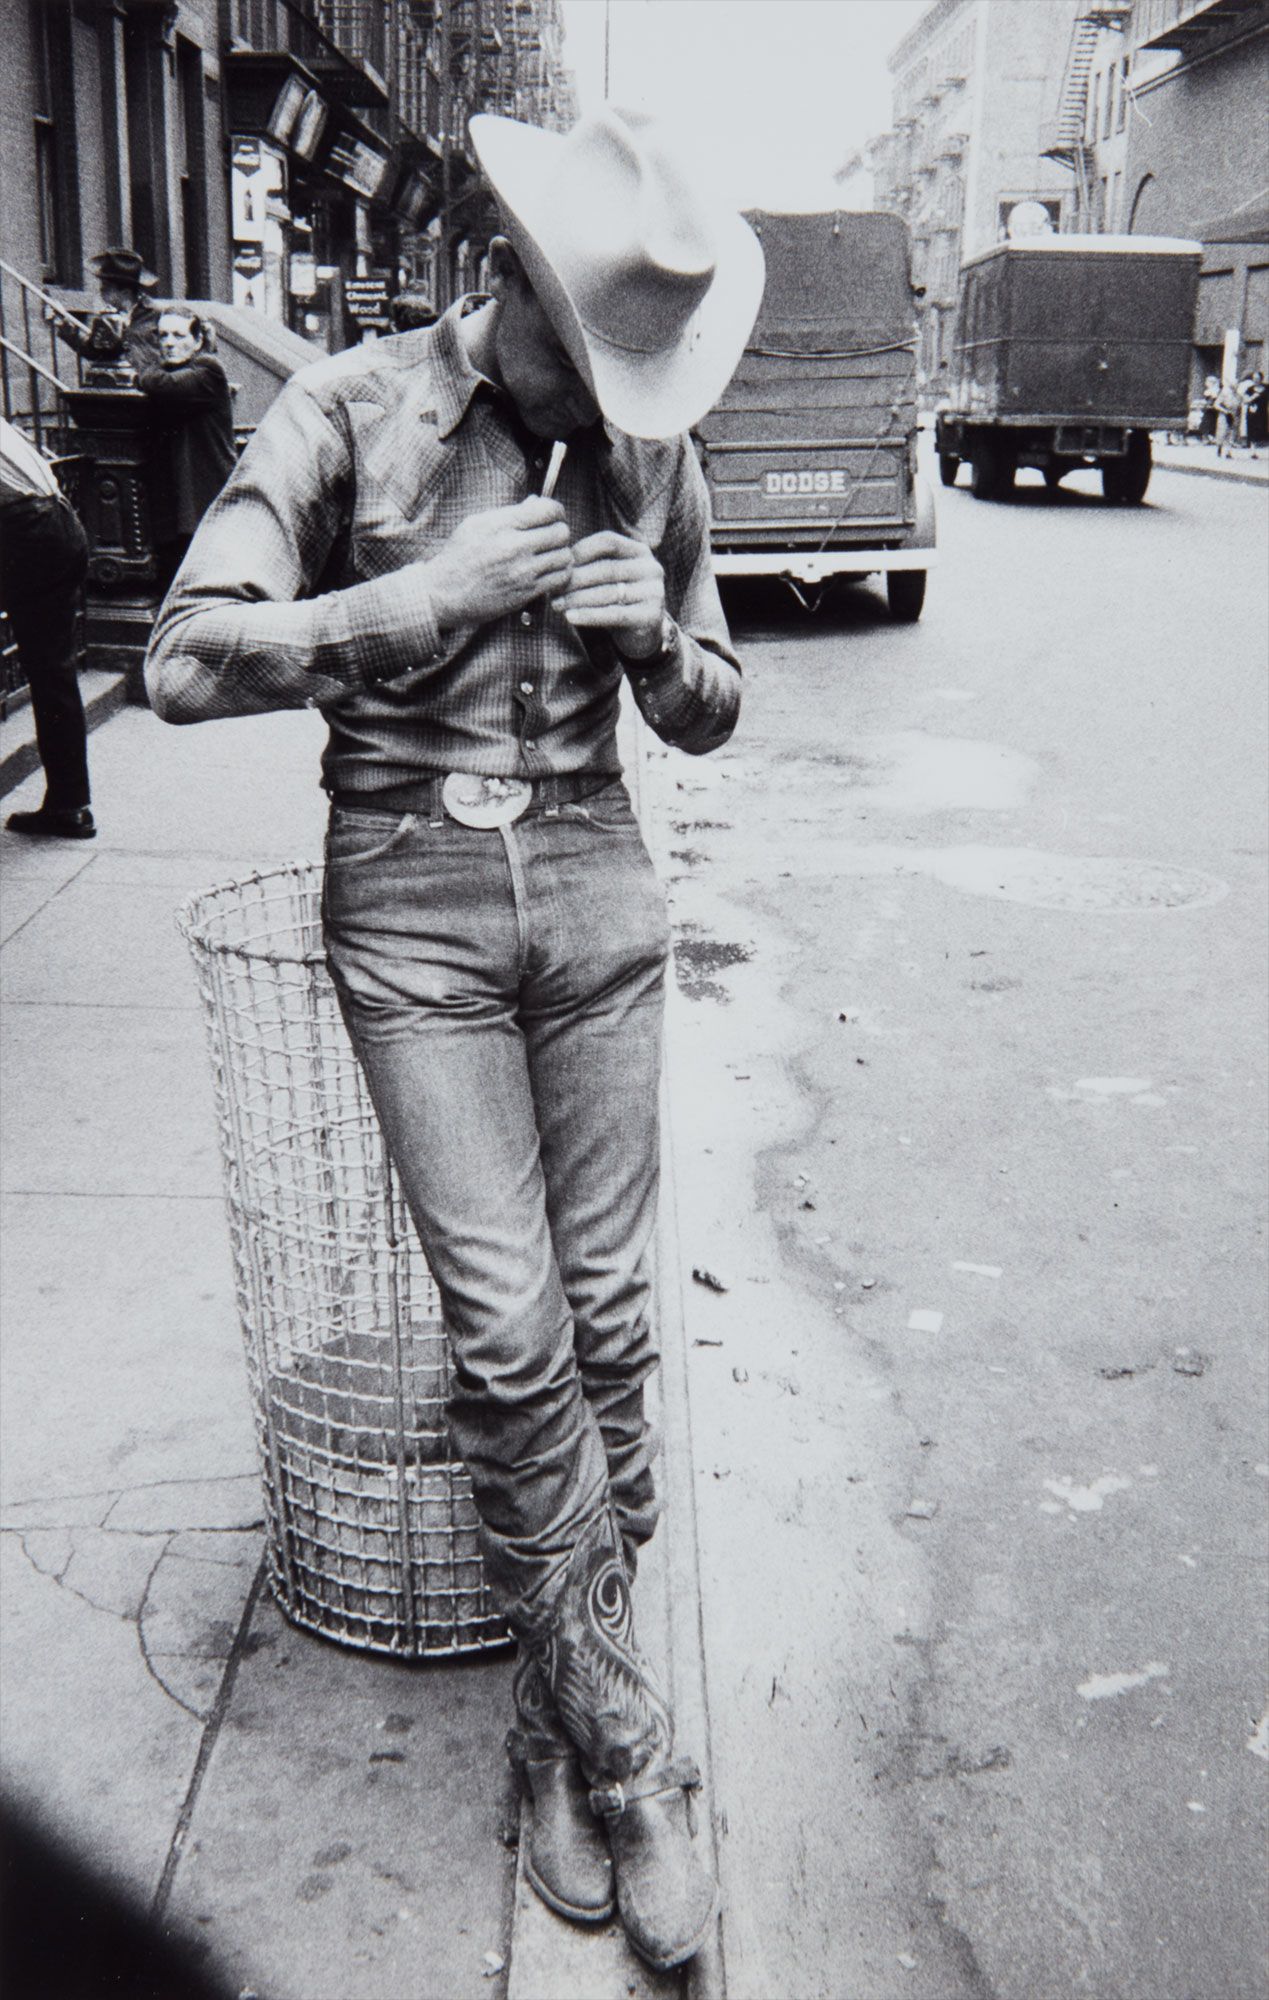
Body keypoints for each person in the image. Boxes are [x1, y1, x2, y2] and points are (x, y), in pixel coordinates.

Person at [145, 108, 763, 1973]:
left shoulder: (650, 453)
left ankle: (561, 1718)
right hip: (408, 888)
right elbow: (181, 656)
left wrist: (658, 644)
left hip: (594, 883)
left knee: (609, 1321)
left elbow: (720, 705)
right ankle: (633, 1758)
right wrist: (407, 606)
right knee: (505, 1334)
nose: (615, 403)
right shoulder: (340, 410)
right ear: (507, 281)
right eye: (594, 357)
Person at [1, 419, 94, 839]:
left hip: (24, 527)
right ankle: (69, 804)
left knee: (49, 670)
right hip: (57, 520)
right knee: (53, 671)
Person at [135, 310, 236, 591]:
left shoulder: (208, 370)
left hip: (206, 493)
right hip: (177, 498)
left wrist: (141, 373)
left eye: (179, 336)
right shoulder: (173, 371)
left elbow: (164, 385)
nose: (168, 343)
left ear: (198, 340)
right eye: (163, 335)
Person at [46, 247, 162, 379]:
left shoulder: (155, 314)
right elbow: (94, 352)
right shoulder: (107, 317)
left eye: (106, 288)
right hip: (116, 386)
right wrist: (63, 324)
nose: (101, 291)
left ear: (125, 292)